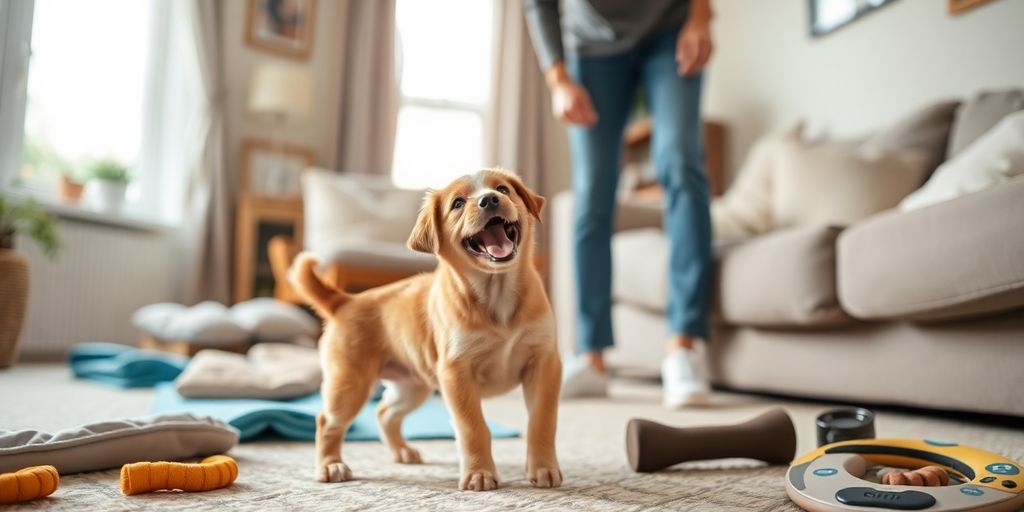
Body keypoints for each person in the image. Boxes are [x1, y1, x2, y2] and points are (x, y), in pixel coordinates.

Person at [523, 0, 714, 408]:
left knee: (681, 165)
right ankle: (591, 358)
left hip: (671, 28)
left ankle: (684, 347)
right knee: (592, 194)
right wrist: (559, 79)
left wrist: (700, 18)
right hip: (591, 48)